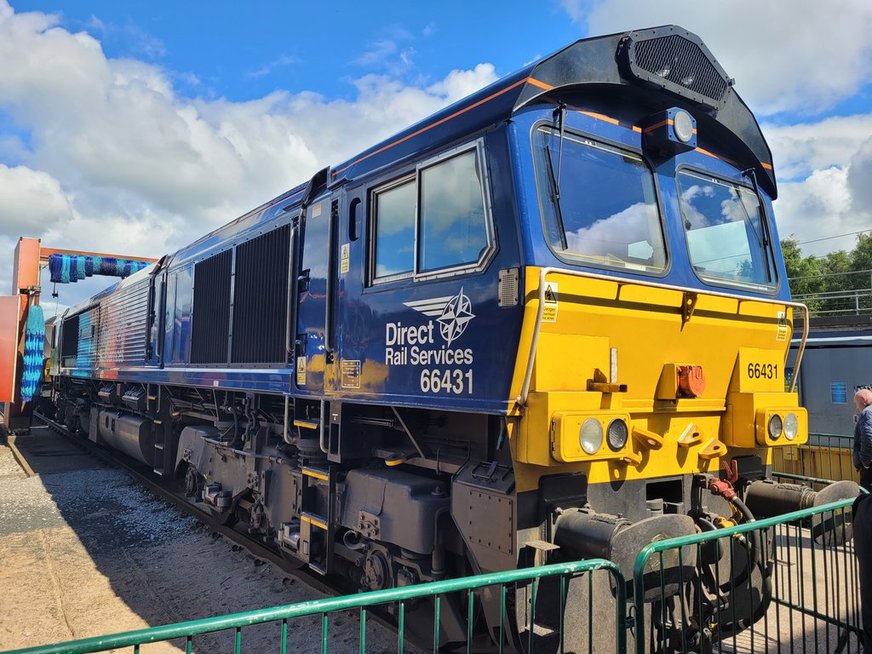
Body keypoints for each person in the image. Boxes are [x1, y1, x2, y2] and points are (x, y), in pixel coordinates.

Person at [854, 388, 872, 492]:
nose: (856, 406)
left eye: (856, 403)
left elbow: (868, 437)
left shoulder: (867, 413)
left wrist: (866, 462)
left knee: (867, 494)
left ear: (863, 400)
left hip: (869, 467)